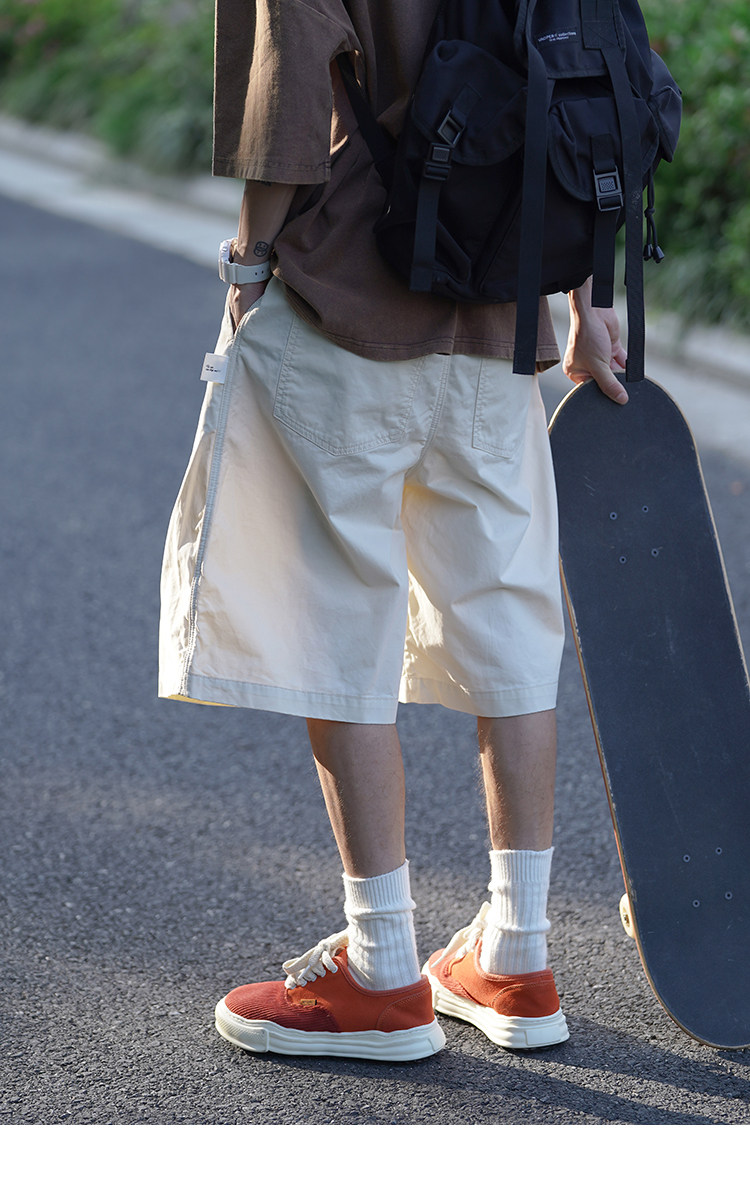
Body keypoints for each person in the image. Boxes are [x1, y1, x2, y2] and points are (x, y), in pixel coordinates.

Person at [159, 0, 628, 1061]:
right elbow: (579, 73)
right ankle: (517, 956)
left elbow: (288, 96)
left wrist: (248, 264)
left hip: (350, 296)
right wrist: (586, 296)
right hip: (500, 303)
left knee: (340, 618)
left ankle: (381, 970)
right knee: (509, 621)